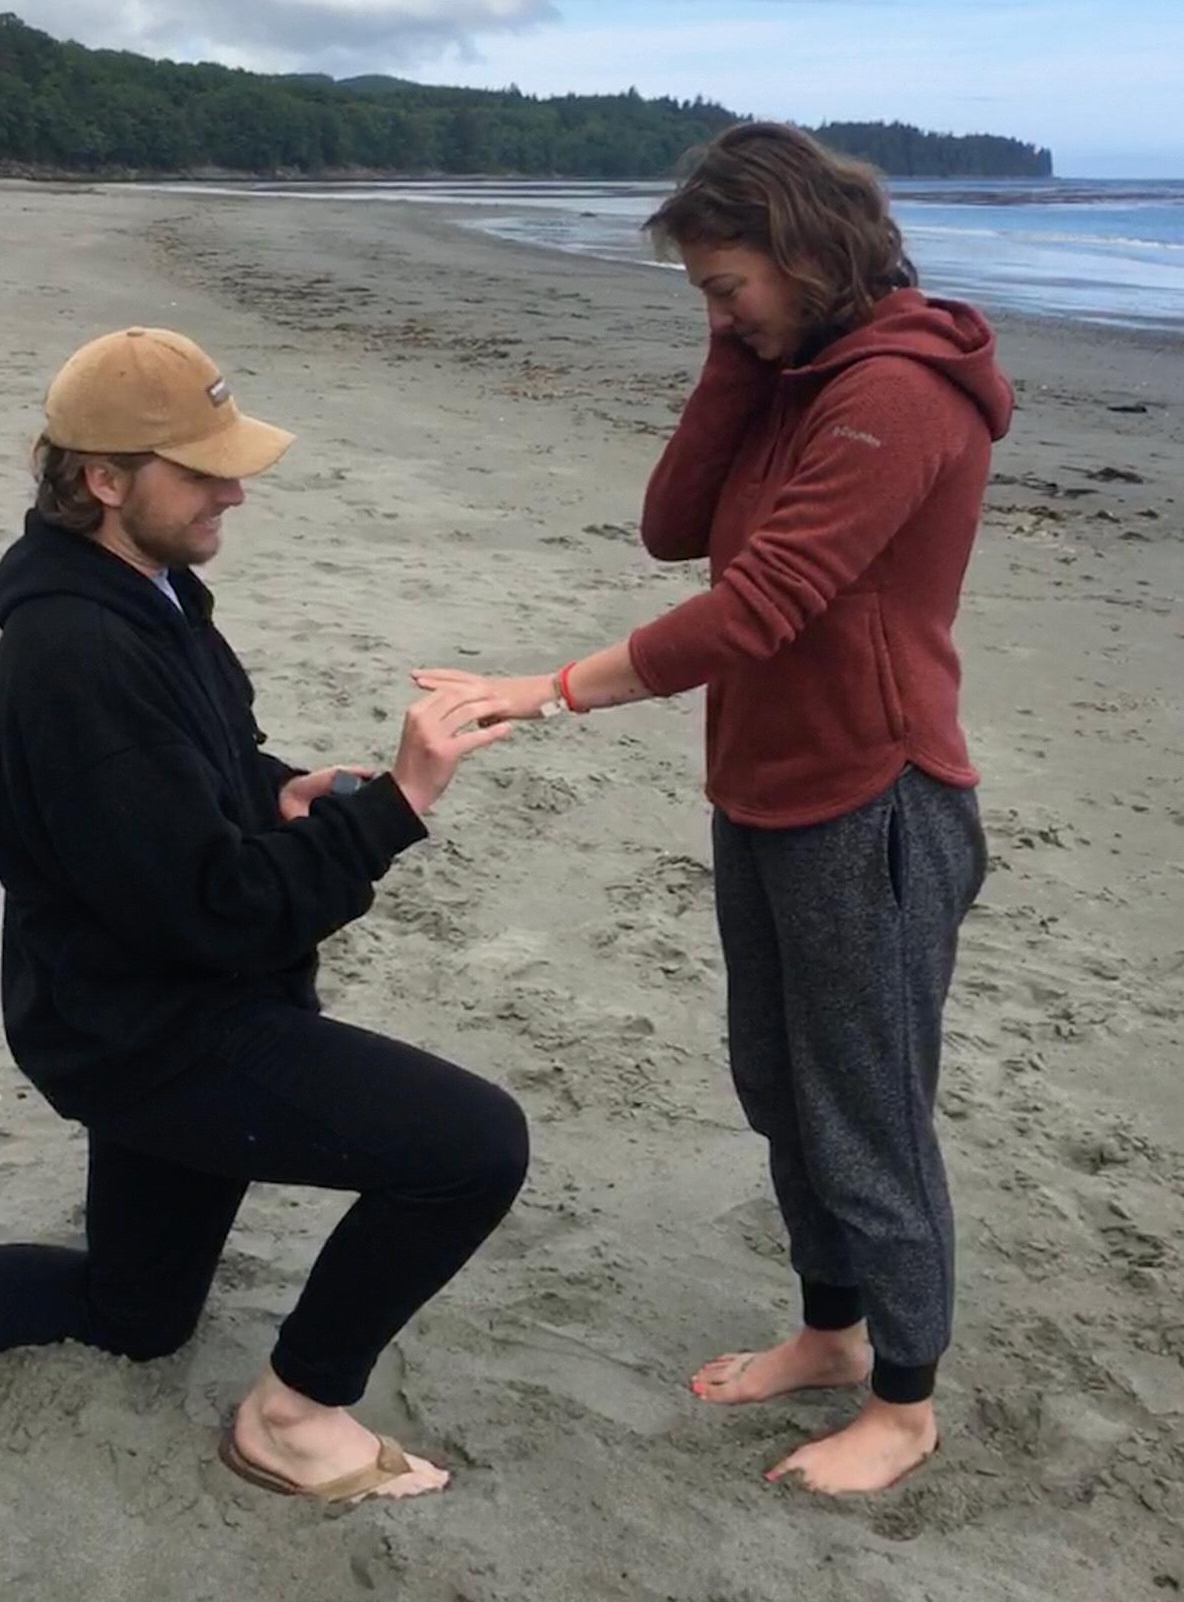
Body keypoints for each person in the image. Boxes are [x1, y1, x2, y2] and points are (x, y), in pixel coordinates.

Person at [0, 326, 527, 1507]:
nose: (235, 487)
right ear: (104, 478)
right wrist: (394, 807)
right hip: (154, 1032)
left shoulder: (152, 592)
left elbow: (194, 772)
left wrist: (272, 788)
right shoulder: (78, 651)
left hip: (135, 995)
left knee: (135, 1317)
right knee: (473, 1148)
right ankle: (292, 1415)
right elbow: (213, 910)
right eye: (203, 468)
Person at [415, 123, 1012, 1496]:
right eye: (700, 290)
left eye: (725, 283)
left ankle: (905, 1403)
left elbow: (761, 602)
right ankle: (831, 1331)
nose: (716, 305)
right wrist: (731, 354)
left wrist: (553, 688)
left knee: (867, 1110)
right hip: (764, 785)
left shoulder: (902, 394)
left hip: (878, 798)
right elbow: (675, 524)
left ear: (809, 253)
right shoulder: (791, 374)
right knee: (775, 1080)